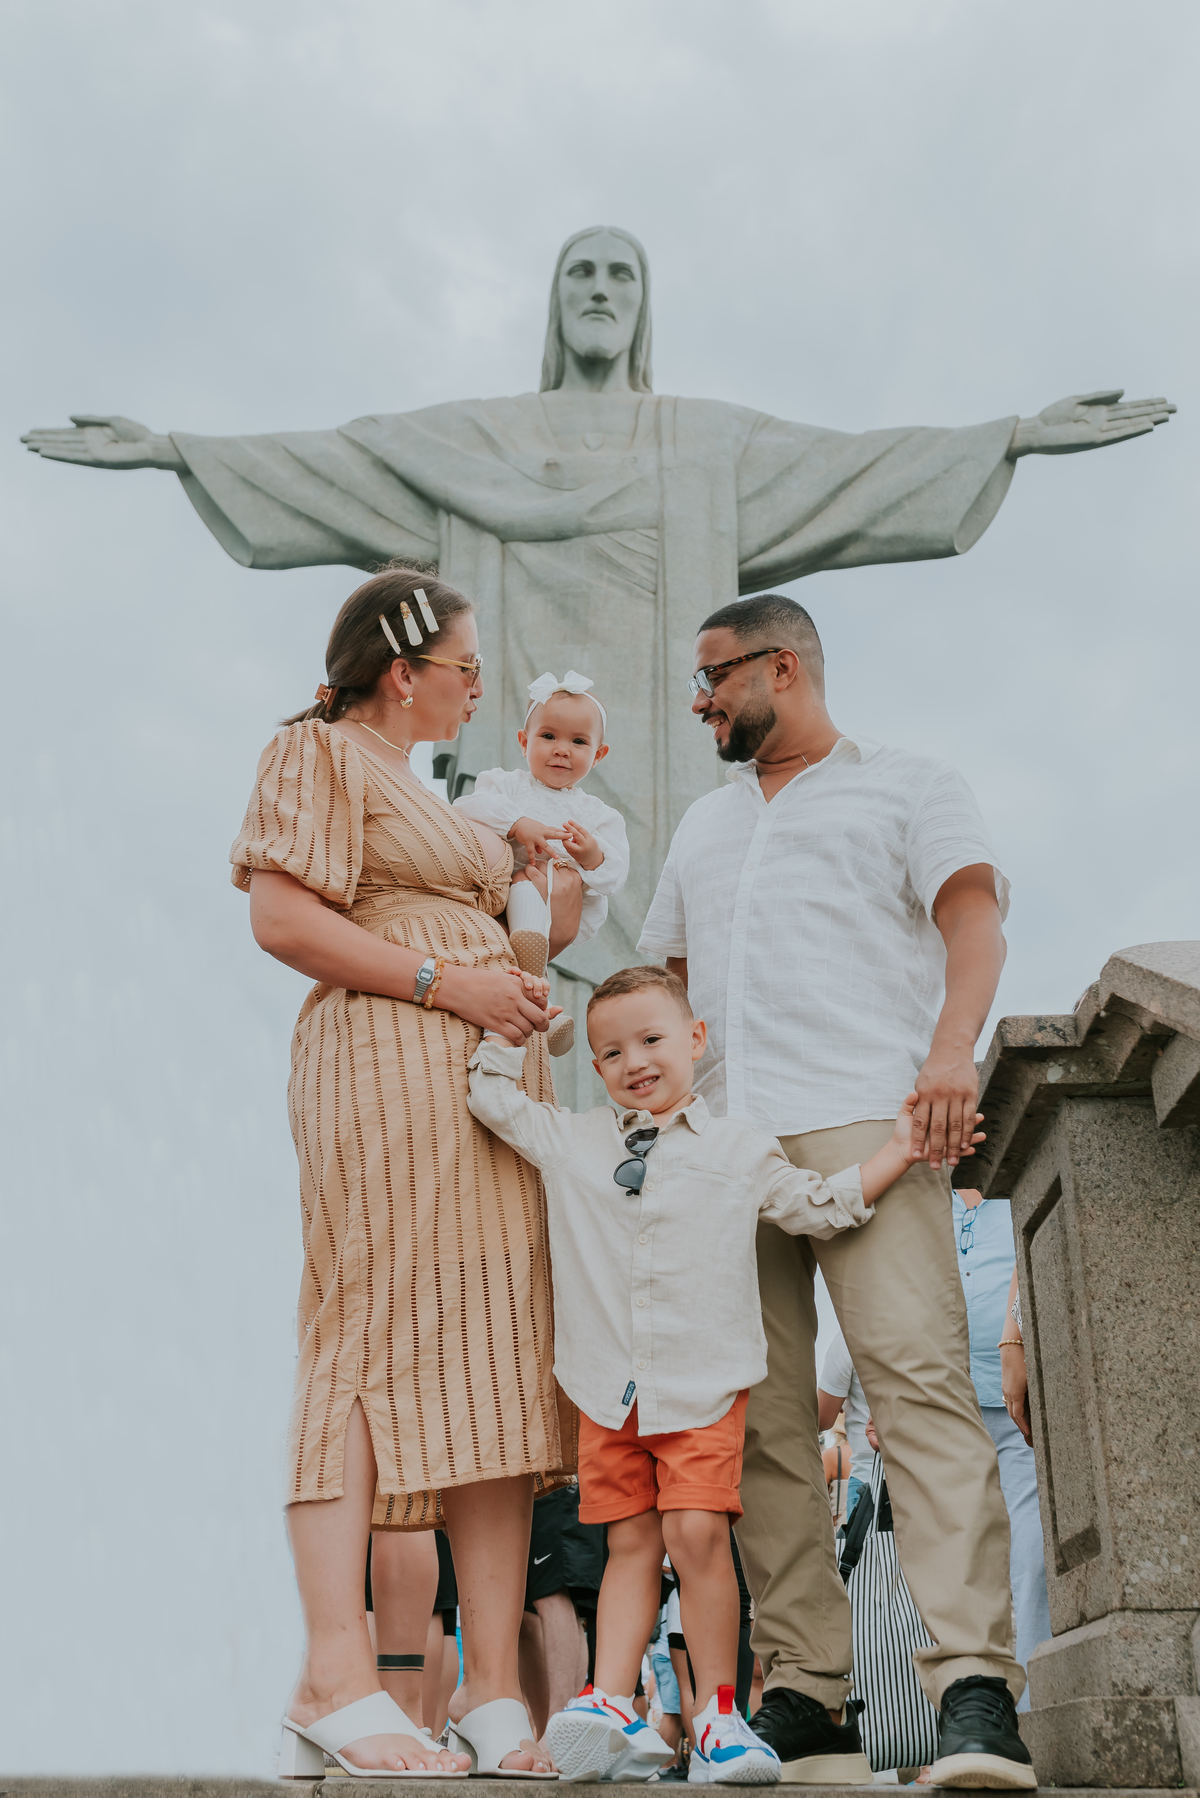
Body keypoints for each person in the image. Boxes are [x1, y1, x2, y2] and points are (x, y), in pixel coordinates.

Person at [638, 591, 1037, 1790]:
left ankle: (973, 1686)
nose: (699, 699)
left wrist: (952, 1050)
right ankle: (807, 1691)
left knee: (917, 1394)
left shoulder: (908, 782)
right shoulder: (701, 828)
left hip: (873, 1114)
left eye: (713, 677)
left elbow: (975, 920)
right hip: (726, 1144)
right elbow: (668, 975)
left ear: (784, 668)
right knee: (758, 1421)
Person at [231, 562, 584, 1779]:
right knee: (365, 1335)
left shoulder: (431, 793)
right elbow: (282, 917)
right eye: (466, 667)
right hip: (385, 1064)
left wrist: (532, 862)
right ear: (400, 672)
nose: (479, 686)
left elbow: (542, 934)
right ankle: (336, 1669)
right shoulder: (317, 752)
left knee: (493, 1349)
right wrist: (452, 981)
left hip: (488, 1088)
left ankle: (490, 1687)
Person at [466, 962, 952, 1784]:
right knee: (628, 1543)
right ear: (596, 1066)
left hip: (702, 1384)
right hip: (608, 1387)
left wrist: (899, 1149)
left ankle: (719, 1713)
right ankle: (612, 1700)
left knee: (695, 1533)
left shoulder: (739, 1147)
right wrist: (511, 1030)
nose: (634, 1061)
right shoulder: (574, 1141)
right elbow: (491, 1099)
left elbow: (819, 1204)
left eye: (652, 1039)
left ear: (695, 1041)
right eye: (611, 1050)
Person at [454, 668, 629, 1055]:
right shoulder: (508, 785)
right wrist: (517, 823)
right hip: (507, 893)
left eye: (578, 741)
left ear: (598, 755)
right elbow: (465, 808)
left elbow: (616, 872)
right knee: (522, 885)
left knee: (525, 908)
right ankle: (545, 1011)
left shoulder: (597, 813)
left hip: (557, 907)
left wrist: (592, 854)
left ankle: (534, 999)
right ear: (524, 741)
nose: (561, 748)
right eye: (548, 736)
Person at [953, 1187, 1053, 1709]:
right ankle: (971, 1709)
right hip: (946, 1399)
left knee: (1031, 1548)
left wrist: (1014, 1339)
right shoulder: (924, 1198)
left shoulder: (1011, 1186)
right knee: (963, 1553)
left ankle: (1036, 1699)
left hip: (1014, 1397)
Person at [819, 1330, 873, 1520]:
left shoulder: (850, 1337)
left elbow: (822, 1419)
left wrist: (839, 1399)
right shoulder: (934, 1327)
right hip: (928, 1477)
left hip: (869, 1482)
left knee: (872, 1550)